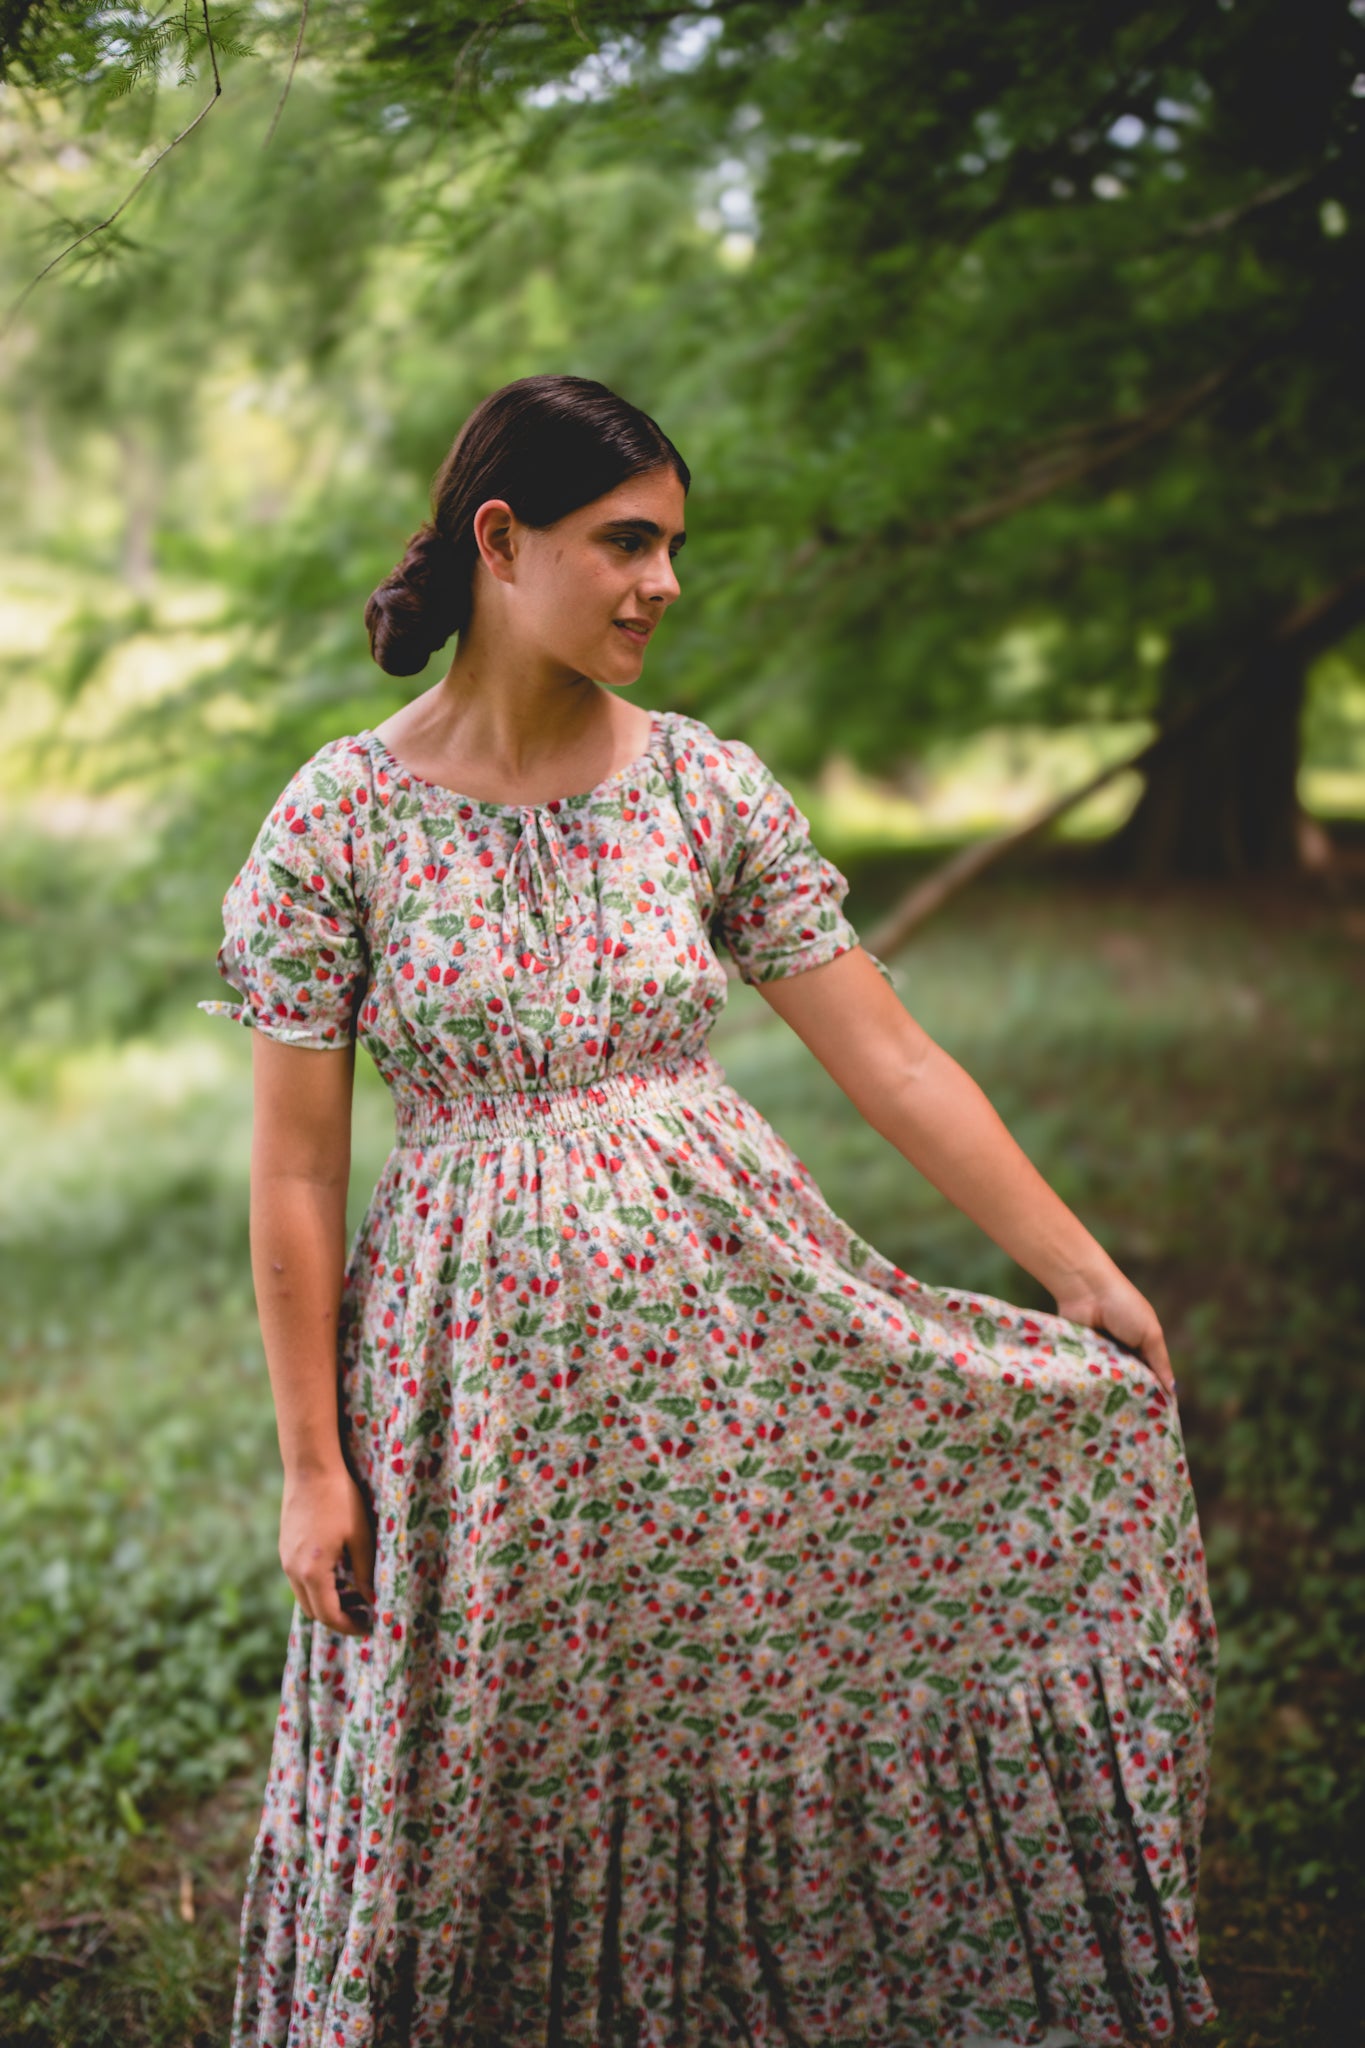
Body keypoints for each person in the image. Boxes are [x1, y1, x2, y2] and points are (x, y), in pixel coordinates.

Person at [201, 373, 1217, 2048]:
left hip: (730, 1367)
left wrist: (1079, 1273)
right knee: (496, 1756)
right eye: (627, 542)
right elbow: (298, 1171)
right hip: (471, 1401)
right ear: (500, 541)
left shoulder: (703, 788)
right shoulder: (338, 821)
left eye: (673, 546)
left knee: (719, 1729)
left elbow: (891, 1057)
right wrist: (314, 1465)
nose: (663, 582)